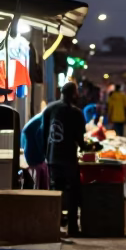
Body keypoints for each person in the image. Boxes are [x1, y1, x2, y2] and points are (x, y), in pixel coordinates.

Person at [41, 81, 86, 237]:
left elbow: (44, 134)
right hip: (68, 159)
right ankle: (72, 228)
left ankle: (55, 226)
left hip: (52, 159)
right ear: (74, 94)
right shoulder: (76, 113)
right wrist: (89, 148)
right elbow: (80, 140)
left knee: (56, 192)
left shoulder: (50, 109)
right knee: (73, 193)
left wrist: (45, 155)